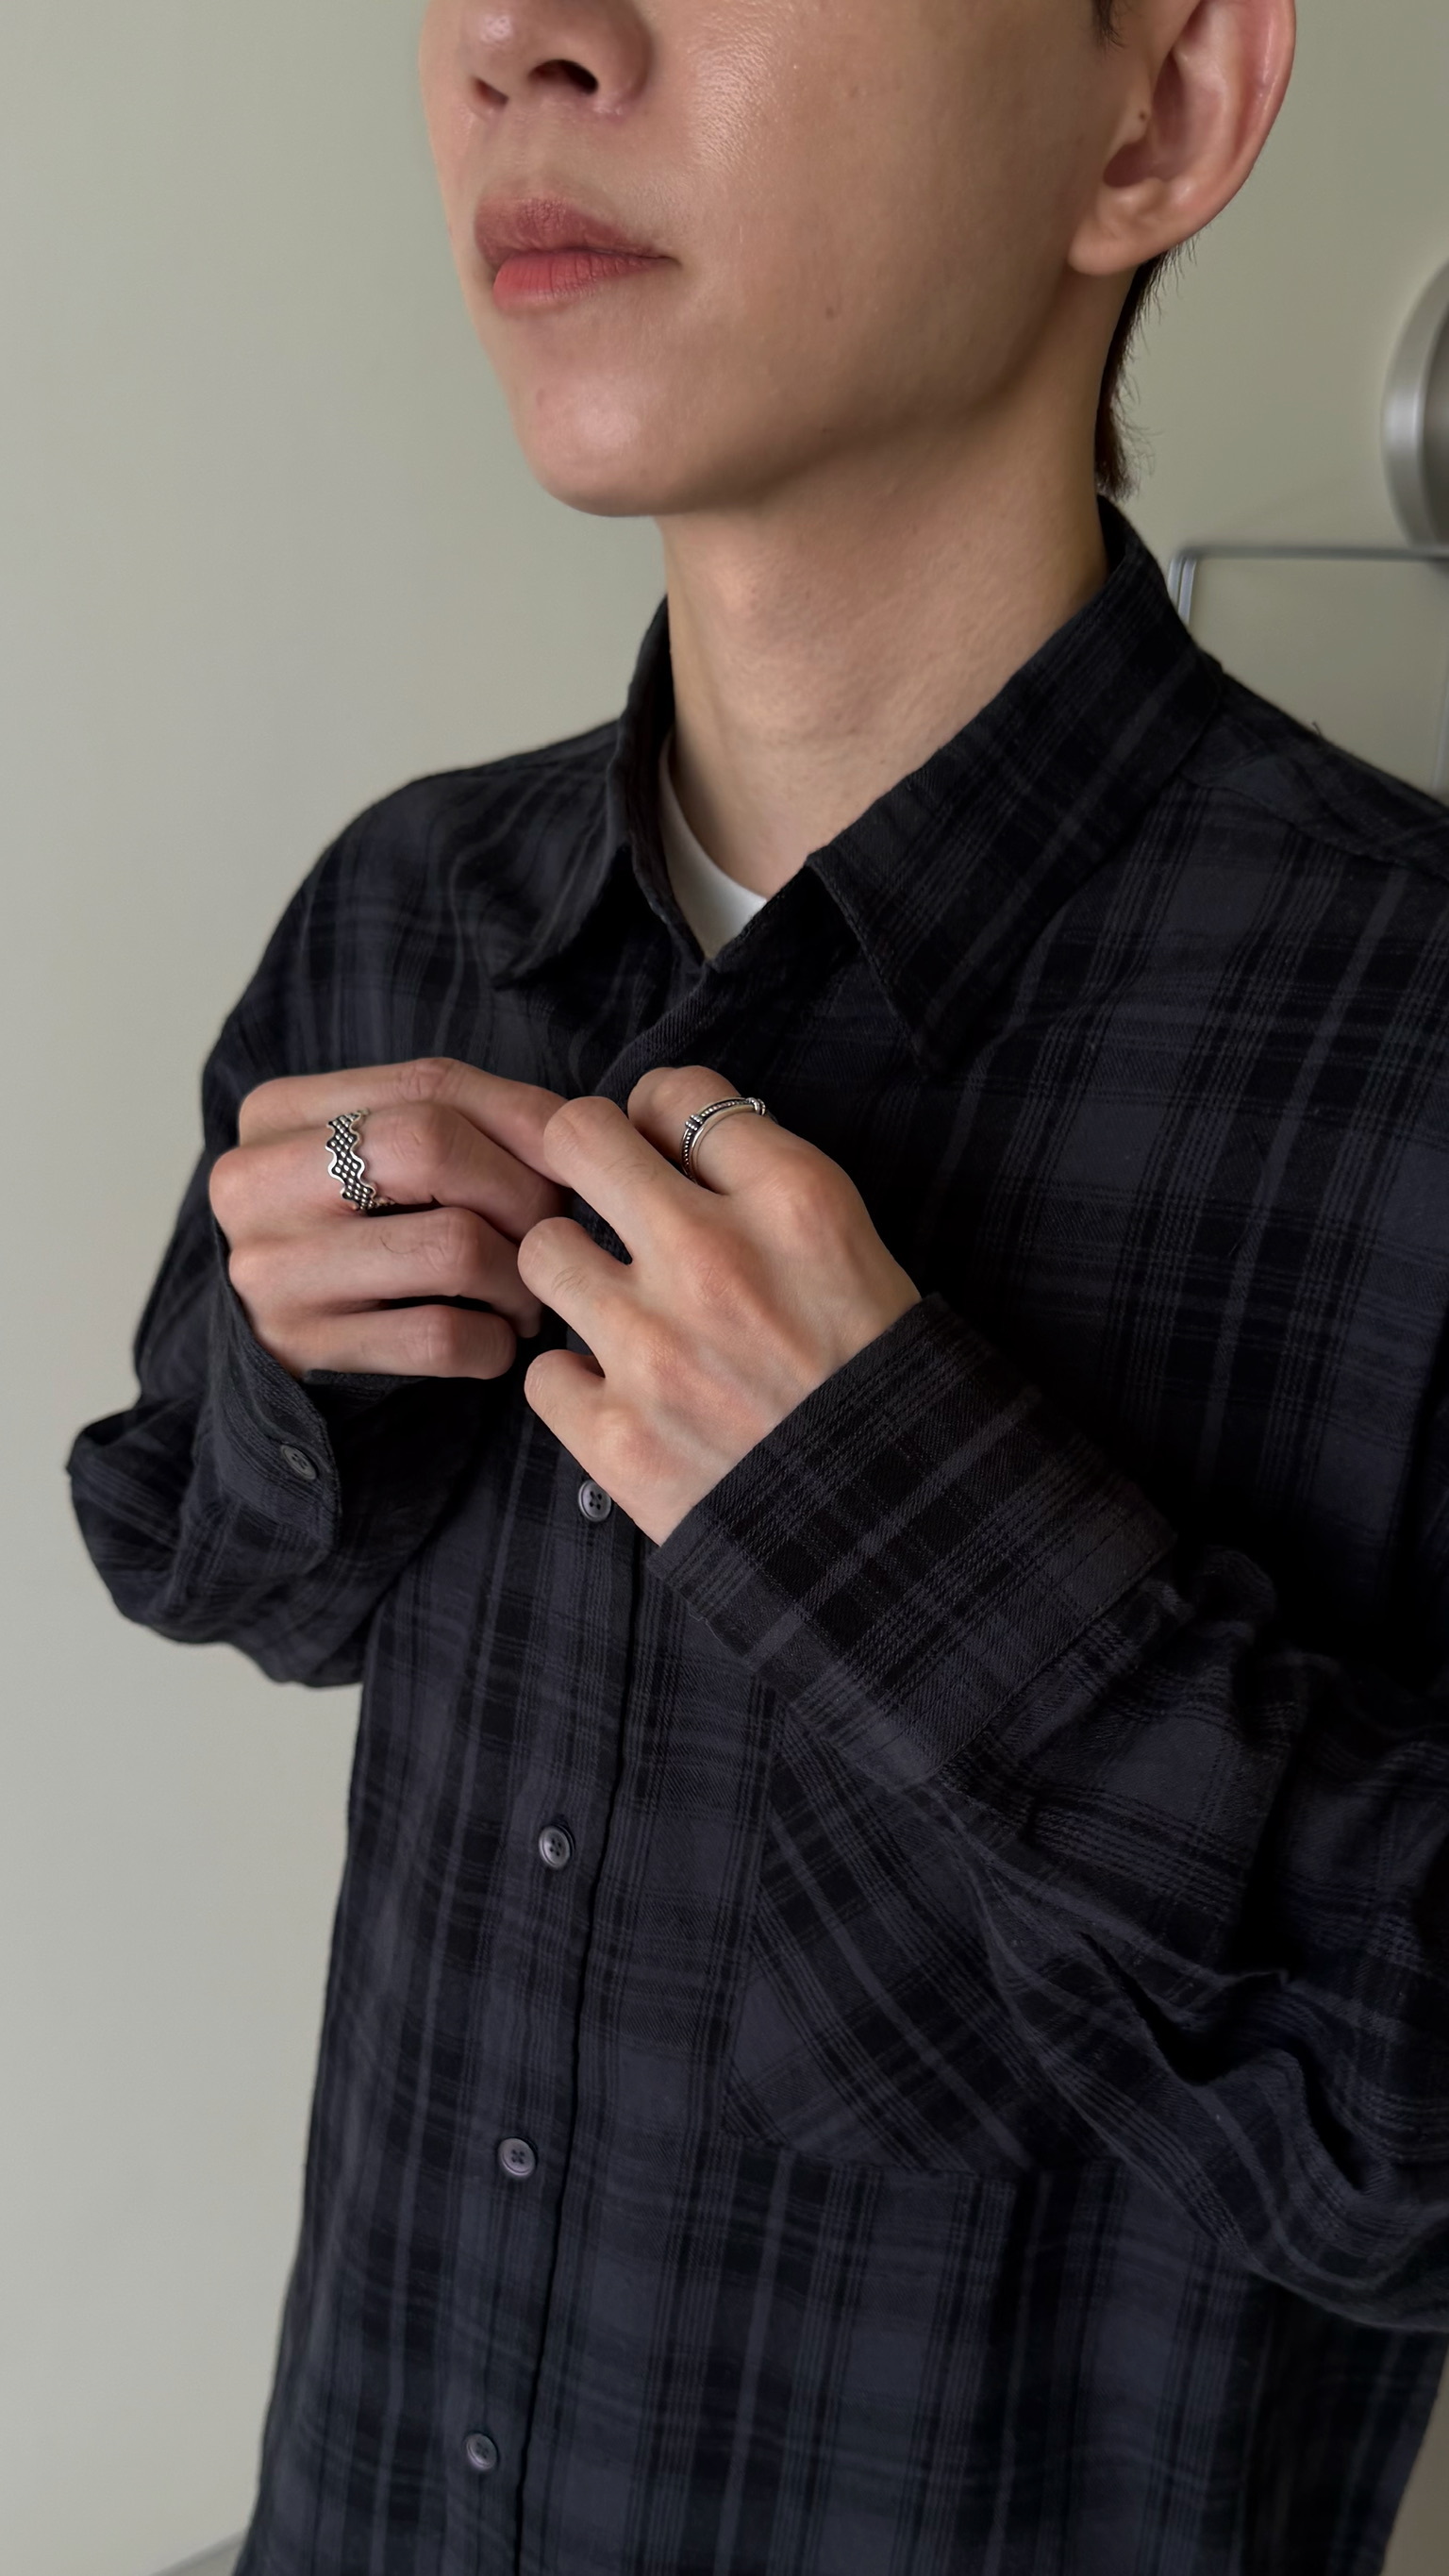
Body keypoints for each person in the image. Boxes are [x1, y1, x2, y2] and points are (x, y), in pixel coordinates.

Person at [67, 0, 1449, 2567]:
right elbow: (205, 1558)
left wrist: (914, 1537)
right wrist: (286, 1374)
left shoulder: (1420, 1053)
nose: (518, 40)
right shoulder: (408, 909)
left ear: (1156, 109)